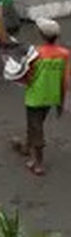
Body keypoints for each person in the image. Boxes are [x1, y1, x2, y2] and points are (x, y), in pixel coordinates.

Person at [11, 19, 70, 176]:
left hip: (35, 96)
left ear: (41, 35)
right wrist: (62, 101)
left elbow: (27, 75)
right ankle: (26, 146)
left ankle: (37, 162)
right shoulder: (64, 54)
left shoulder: (36, 53)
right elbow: (65, 79)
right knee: (36, 122)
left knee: (36, 126)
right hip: (52, 95)